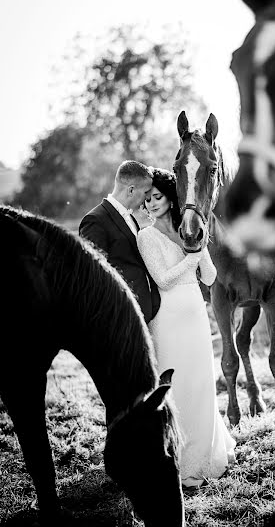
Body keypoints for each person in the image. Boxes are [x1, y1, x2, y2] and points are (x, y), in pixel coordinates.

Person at [137, 168, 236, 488]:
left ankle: (207, 454)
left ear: (170, 198)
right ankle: (181, 463)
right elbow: (163, 280)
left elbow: (209, 277)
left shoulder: (187, 230)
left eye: (157, 197)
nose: (151, 204)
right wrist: (191, 259)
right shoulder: (146, 236)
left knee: (202, 385)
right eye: (147, 200)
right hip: (167, 322)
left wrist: (199, 244)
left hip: (195, 319)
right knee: (177, 389)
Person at [79, 160, 160, 324]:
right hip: (120, 317)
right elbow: (92, 277)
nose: (147, 199)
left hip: (142, 314)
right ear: (131, 190)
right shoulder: (95, 220)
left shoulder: (130, 217)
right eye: (145, 193)